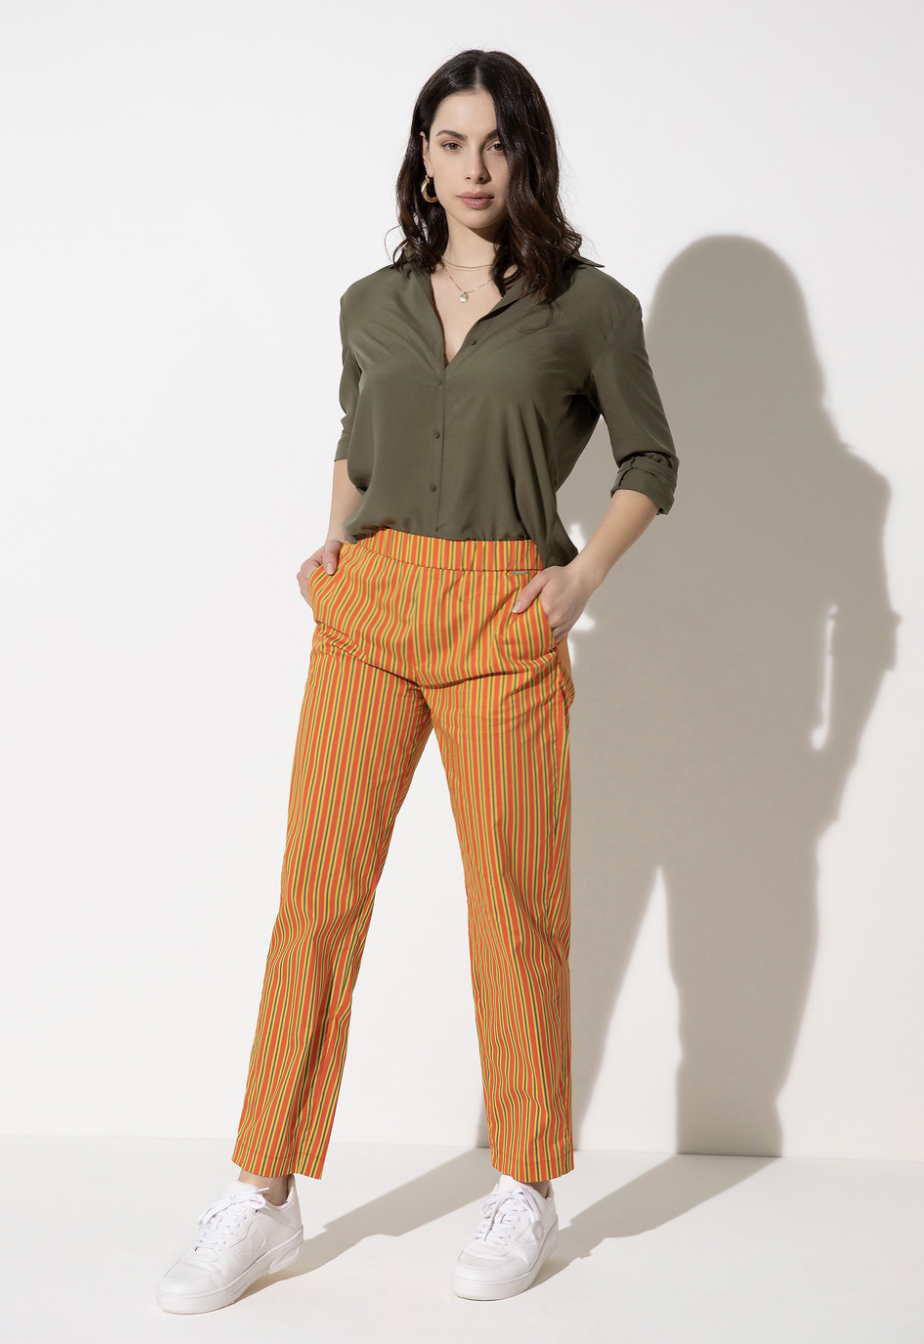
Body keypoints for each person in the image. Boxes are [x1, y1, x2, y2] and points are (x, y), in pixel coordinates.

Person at [157, 47, 678, 1315]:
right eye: (452, 143)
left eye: (497, 142)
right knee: (317, 897)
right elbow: (357, 440)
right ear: (423, 159)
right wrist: (332, 539)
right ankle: (263, 1192)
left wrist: (580, 579)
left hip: (504, 609)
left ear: (527, 154)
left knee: (516, 904)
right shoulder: (371, 302)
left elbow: (651, 460)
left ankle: (526, 1183)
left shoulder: (590, 308)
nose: (475, 166)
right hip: (372, 608)